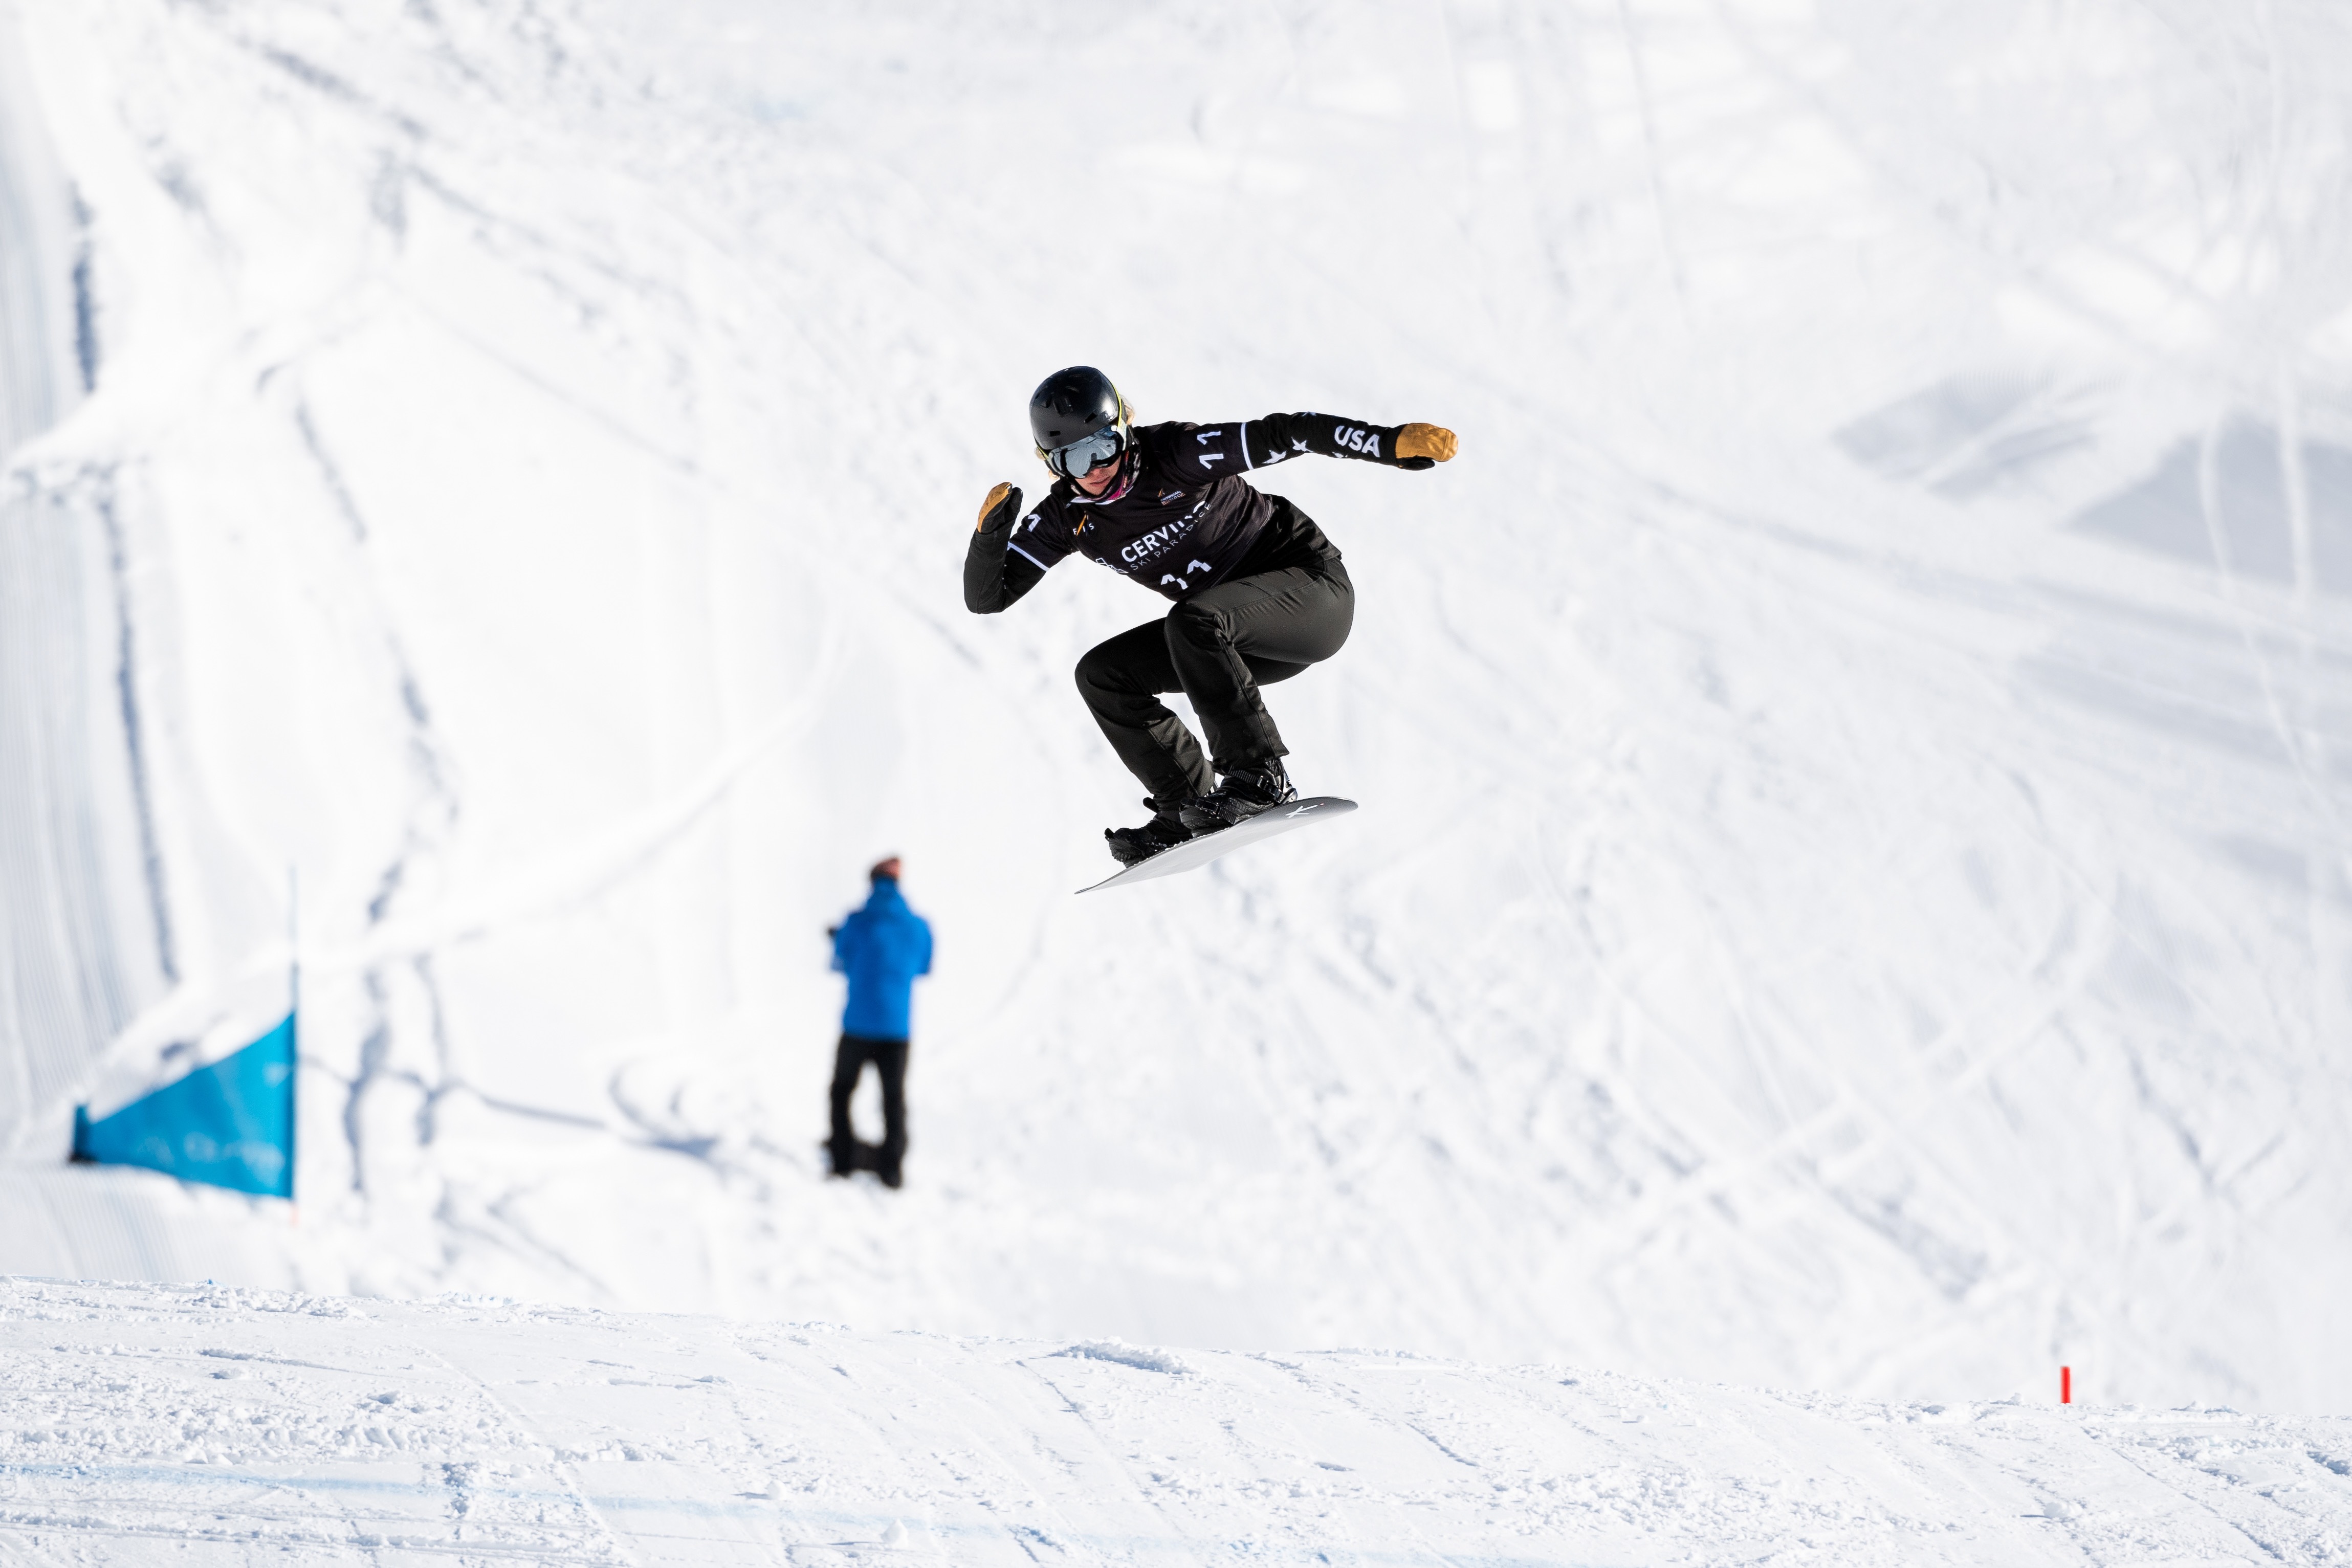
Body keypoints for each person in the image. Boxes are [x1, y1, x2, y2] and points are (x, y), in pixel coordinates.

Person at [963, 367, 1456, 867]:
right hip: (1234, 644)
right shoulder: (1067, 518)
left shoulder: (1175, 454)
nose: (1094, 468)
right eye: (1073, 457)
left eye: (1104, 446)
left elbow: (1288, 433)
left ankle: (1259, 780)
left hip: (1313, 598)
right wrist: (989, 538)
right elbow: (988, 596)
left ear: (1125, 430)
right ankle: (1184, 807)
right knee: (1103, 675)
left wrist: (1387, 443)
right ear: (1051, 463)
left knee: (1193, 619)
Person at [825, 856, 933, 1188]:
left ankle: (842, 1161)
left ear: (871, 882)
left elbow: (838, 962)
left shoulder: (855, 923)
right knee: (893, 1099)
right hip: (896, 1028)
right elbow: (924, 967)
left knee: (842, 1092)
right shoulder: (918, 926)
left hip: (857, 1024)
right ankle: (891, 1169)